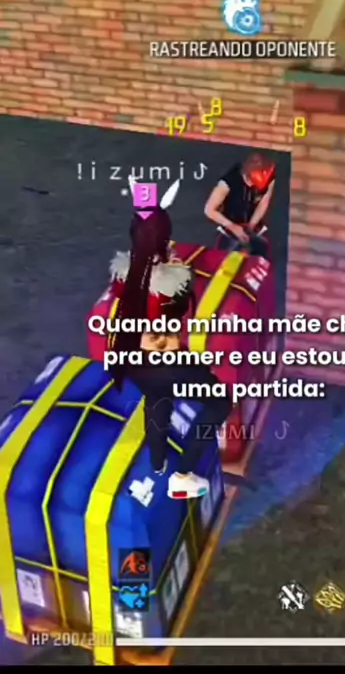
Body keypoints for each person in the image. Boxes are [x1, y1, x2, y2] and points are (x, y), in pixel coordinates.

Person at [107, 194, 232, 501]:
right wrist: (175, 267)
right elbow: (180, 305)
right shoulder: (172, 283)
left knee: (157, 397)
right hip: (166, 361)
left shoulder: (122, 274)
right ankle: (182, 475)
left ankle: (158, 461)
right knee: (220, 401)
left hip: (132, 360)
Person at [204, 152, 275, 257]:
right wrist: (232, 226)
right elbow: (209, 210)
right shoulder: (228, 181)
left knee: (260, 256)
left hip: (254, 226)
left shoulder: (269, 177)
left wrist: (251, 225)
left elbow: (264, 201)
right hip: (229, 226)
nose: (252, 186)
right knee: (228, 259)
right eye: (251, 182)